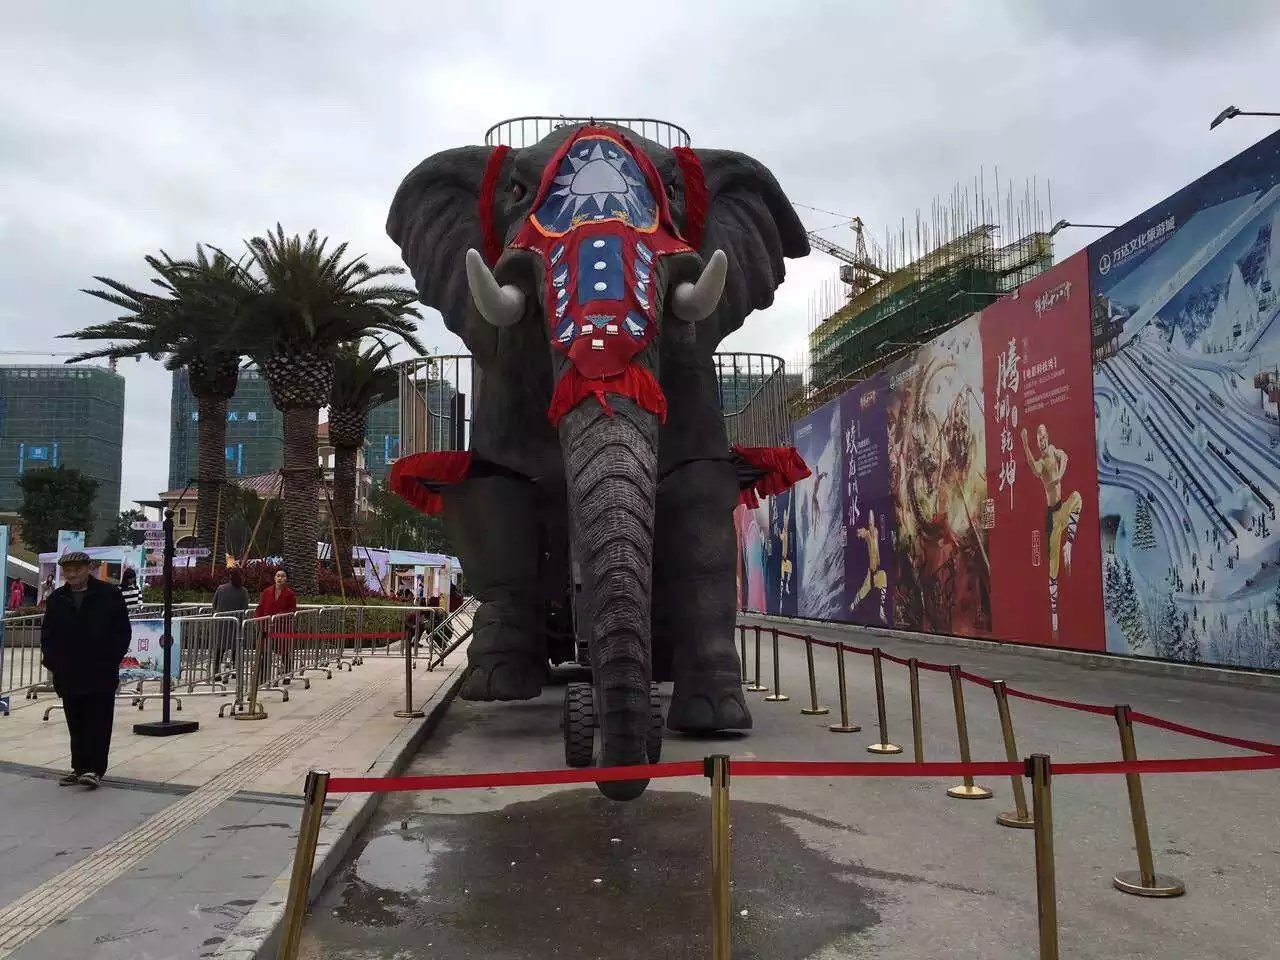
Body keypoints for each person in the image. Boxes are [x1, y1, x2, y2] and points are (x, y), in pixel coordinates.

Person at [39, 551, 131, 789]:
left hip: (100, 670)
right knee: (75, 721)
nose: (72, 574)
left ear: (88, 568)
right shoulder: (57, 598)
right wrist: (53, 661)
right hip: (69, 671)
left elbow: (122, 632)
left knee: (98, 721)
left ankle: (94, 769)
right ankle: (78, 767)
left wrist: (110, 659)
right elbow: (47, 634)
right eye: (67, 571)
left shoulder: (109, 594)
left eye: (77, 570)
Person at [1022, 424, 1082, 640]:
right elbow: (1033, 467)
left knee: (1076, 498)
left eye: (1044, 437)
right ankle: (1054, 614)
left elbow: (1065, 457)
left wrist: (1060, 477)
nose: (1043, 441)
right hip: (1053, 519)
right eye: (1039, 439)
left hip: (1063, 508)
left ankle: (1070, 543)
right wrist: (1024, 445)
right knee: (1053, 568)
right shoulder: (1040, 462)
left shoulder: (1054, 450)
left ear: (1047, 437)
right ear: (1037, 443)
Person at [256, 569, 298, 680]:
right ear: (274, 578)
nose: (280, 578)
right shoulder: (266, 592)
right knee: (265, 652)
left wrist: (280, 615)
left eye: (282, 576)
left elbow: (293, 610)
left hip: (282, 627)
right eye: (278, 576)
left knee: (283, 652)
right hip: (266, 627)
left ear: (286, 579)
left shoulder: (290, 594)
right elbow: (260, 607)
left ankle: (288, 674)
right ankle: (263, 677)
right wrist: (257, 620)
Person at [211, 568, 249, 677]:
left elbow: (214, 605)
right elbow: (245, 608)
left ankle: (216, 672)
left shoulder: (221, 588)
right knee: (235, 649)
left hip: (221, 623)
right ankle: (234, 671)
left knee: (219, 649)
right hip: (236, 623)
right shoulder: (243, 591)